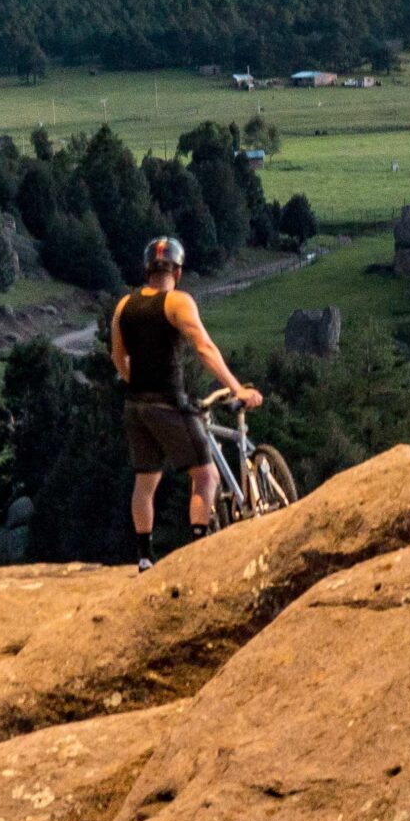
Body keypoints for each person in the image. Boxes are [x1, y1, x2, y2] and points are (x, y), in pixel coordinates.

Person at [111, 235, 260, 571]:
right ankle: (197, 550)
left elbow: (118, 357)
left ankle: (145, 557)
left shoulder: (124, 306)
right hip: (169, 404)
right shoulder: (178, 302)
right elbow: (204, 348)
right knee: (206, 476)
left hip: (136, 407)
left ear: (147, 269)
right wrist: (237, 389)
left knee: (146, 481)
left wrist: (137, 382)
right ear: (177, 271)